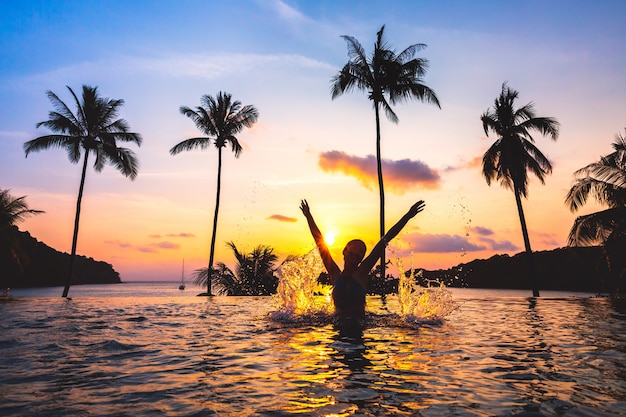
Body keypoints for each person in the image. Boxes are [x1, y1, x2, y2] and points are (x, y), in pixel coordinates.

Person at [300, 199, 425, 317]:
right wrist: (309, 216)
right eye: (354, 250)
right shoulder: (335, 274)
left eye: (361, 252)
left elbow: (386, 239)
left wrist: (407, 216)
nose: (357, 254)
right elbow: (319, 241)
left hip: (359, 326)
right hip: (336, 329)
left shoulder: (362, 273)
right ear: (345, 251)